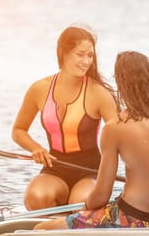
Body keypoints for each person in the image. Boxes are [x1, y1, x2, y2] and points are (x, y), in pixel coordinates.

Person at [35, 51, 149, 229]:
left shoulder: (116, 127)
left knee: (40, 229)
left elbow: (102, 196)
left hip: (128, 217)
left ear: (121, 83)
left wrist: (84, 211)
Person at [12, 24, 118, 211]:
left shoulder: (98, 93)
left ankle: (73, 218)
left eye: (90, 55)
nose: (86, 61)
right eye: (80, 54)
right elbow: (18, 130)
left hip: (91, 170)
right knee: (36, 197)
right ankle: (58, 223)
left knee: (81, 202)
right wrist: (35, 148)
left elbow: (121, 136)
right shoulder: (40, 89)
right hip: (55, 167)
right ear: (63, 53)